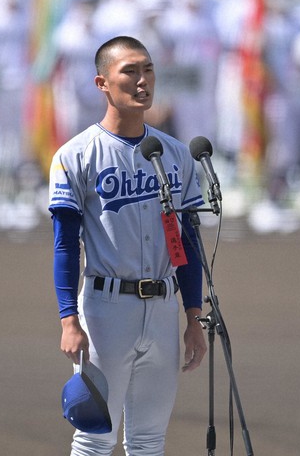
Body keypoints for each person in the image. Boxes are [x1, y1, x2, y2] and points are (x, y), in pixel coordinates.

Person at [48, 35, 207, 455]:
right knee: (94, 438)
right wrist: (68, 320)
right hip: (106, 311)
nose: (142, 81)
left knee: (149, 440)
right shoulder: (76, 154)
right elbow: (65, 246)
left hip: (163, 309)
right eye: (130, 71)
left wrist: (193, 316)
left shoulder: (175, 154)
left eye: (148, 69)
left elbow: (187, 242)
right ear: (102, 83)